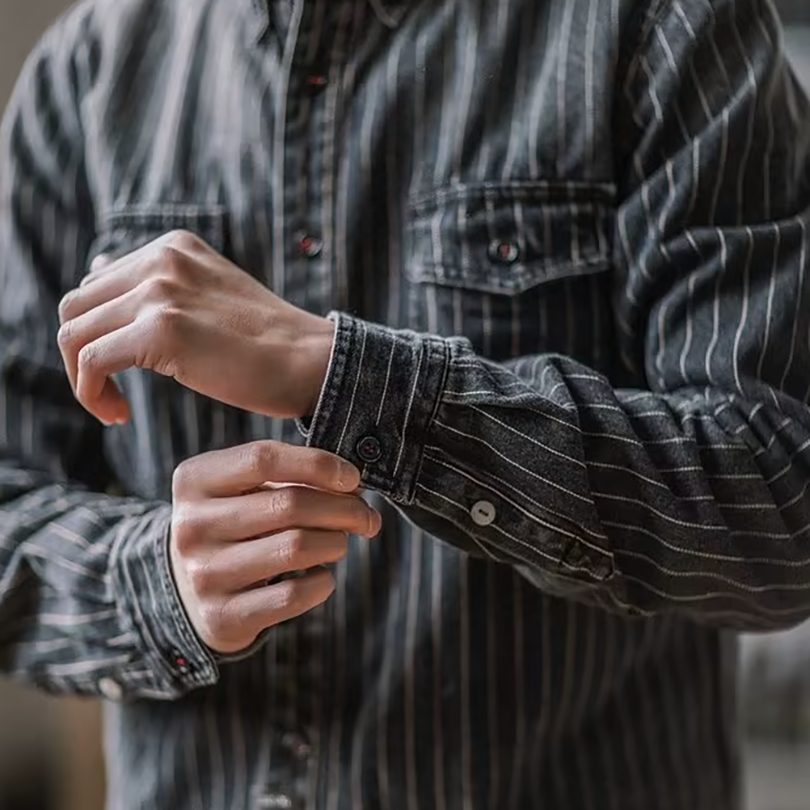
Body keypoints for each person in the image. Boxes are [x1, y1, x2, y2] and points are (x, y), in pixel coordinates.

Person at [1, 0, 809, 807]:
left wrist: (340, 377)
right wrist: (156, 579)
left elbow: (782, 497)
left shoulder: (661, 26)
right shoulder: (88, 73)